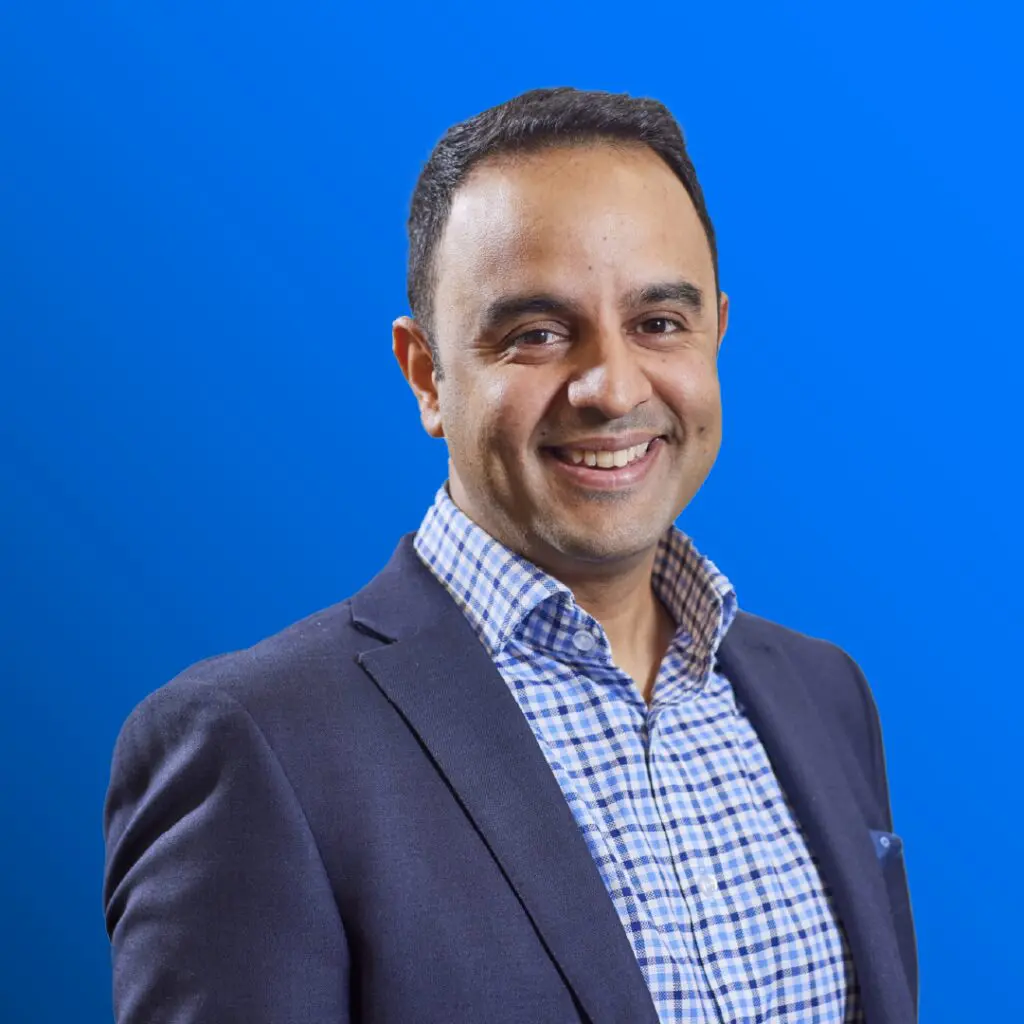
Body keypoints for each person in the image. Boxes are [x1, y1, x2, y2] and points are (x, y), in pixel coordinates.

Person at [103, 87, 917, 1023]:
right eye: (536, 334)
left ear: (716, 335)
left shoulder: (825, 695)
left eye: (659, 323)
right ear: (428, 376)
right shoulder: (255, 746)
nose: (613, 389)